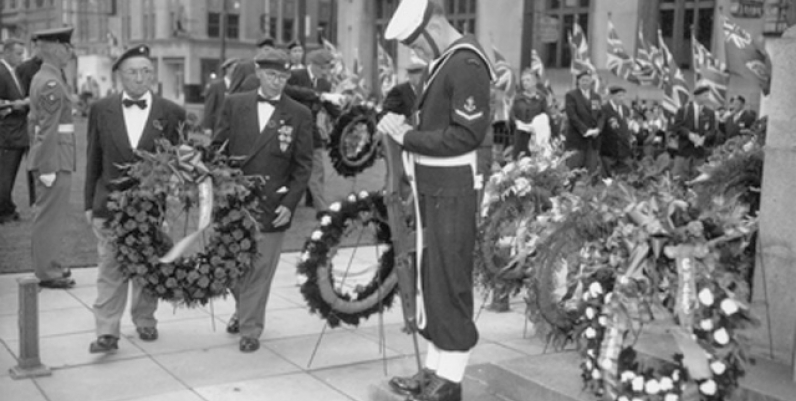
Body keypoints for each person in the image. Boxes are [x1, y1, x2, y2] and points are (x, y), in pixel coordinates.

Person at [378, 0, 495, 399]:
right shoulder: (445, 62)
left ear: (435, 25)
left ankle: (452, 378)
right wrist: (401, 127)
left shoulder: (466, 64)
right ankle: (434, 370)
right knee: (433, 281)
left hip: (453, 188)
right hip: (435, 186)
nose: (416, 53)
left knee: (450, 280)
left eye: (417, 43)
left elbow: (466, 134)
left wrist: (407, 137)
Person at [84, 45, 187, 353]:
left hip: (151, 207)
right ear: (119, 76)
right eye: (133, 72)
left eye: (146, 71)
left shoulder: (172, 113)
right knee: (110, 267)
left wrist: (174, 203)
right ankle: (107, 332)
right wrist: (90, 203)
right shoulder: (101, 109)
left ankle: (145, 321)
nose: (140, 78)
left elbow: (178, 164)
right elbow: (93, 158)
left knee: (146, 266)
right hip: (110, 205)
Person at [212, 48, 313, 353]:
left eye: (283, 76)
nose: (278, 82)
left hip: (273, 205)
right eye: (272, 75)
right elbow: (217, 148)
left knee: (260, 269)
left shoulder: (299, 114)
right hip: (235, 203)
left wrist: (290, 203)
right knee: (231, 267)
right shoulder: (234, 104)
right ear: (258, 73)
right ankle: (244, 311)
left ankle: (250, 329)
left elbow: (303, 166)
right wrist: (222, 182)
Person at [27, 27, 77, 289]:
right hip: (55, 157)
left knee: (48, 215)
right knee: (50, 217)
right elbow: (46, 127)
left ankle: (49, 264)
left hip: (54, 154)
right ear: (56, 48)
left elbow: (33, 123)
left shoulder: (47, 78)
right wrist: (46, 165)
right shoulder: (51, 82)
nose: (70, 52)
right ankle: (48, 271)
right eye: (67, 47)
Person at [285, 48, 344, 214]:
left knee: (317, 167)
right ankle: (287, 203)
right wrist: (318, 95)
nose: (326, 72)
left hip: (310, 129)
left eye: (328, 68)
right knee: (287, 168)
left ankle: (321, 207)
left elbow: (330, 108)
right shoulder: (296, 75)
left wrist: (345, 115)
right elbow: (286, 90)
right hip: (290, 127)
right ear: (313, 65)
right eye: (323, 68)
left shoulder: (325, 83)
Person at [0, 38, 29, 224]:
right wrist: (12, 106)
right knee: (5, 175)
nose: (21, 57)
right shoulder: (2, 72)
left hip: (16, 132)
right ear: (7, 52)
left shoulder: (12, 72)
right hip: (7, 134)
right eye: (18, 53)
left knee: (8, 174)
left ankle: (7, 207)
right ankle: (4, 211)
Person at [670, 86, 717, 180]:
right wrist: (689, 134)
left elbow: (712, 130)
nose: (707, 98)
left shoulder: (710, 112)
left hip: (700, 152)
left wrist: (704, 138)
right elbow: (677, 127)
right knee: (679, 178)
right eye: (705, 95)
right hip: (684, 151)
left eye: (708, 95)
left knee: (697, 179)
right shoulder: (683, 110)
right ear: (697, 96)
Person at [564, 71, 604, 175]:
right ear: (578, 81)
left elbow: (600, 115)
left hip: (592, 140)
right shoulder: (571, 95)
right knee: (573, 170)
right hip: (577, 138)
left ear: (591, 81)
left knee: (591, 171)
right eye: (583, 80)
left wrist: (598, 129)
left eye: (588, 80)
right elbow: (572, 116)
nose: (585, 82)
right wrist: (586, 130)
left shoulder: (596, 97)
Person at [510, 68, 550, 160]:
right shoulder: (518, 98)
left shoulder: (541, 98)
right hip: (521, 136)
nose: (525, 83)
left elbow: (546, 117)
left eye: (528, 80)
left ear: (534, 82)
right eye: (523, 80)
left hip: (536, 137)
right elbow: (512, 115)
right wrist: (517, 122)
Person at [599, 86, 632, 176]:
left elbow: (627, 126)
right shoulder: (604, 109)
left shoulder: (625, 109)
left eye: (623, 96)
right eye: (619, 96)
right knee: (609, 179)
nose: (622, 98)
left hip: (623, 150)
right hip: (609, 150)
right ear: (611, 96)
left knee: (624, 178)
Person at [203, 57, 237, 135]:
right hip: (218, 127)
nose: (236, 71)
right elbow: (209, 107)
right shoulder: (216, 86)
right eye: (234, 68)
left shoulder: (238, 86)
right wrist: (208, 127)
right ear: (227, 69)